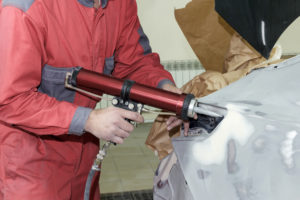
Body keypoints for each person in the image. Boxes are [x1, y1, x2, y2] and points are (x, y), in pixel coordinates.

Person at [0, 0, 184, 199]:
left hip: (85, 149)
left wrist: (167, 93)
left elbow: (135, 62)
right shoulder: (23, 7)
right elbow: (11, 98)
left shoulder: (119, 4)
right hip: (28, 157)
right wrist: (88, 120)